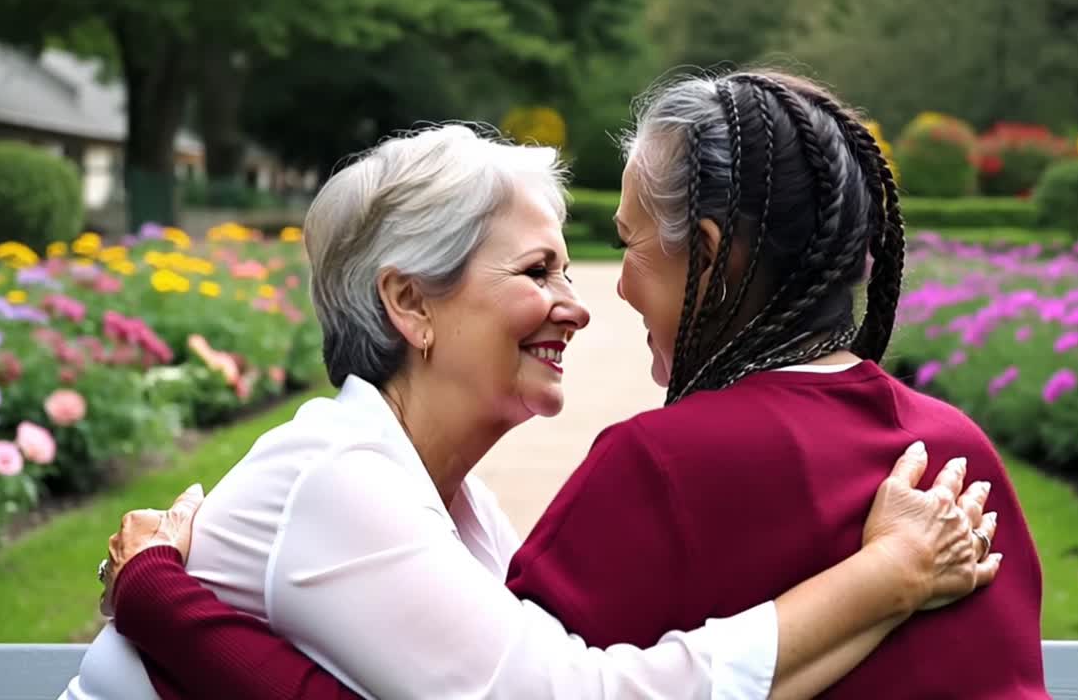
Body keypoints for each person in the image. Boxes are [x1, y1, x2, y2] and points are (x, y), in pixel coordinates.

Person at [63, 105, 1004, 700]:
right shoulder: (338, 479)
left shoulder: (459, 505)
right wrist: (888, 576)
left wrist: (161, 599)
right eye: (536, 270)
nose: (580, 303)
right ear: (410, 303)